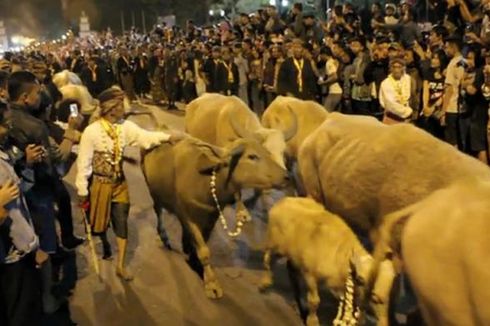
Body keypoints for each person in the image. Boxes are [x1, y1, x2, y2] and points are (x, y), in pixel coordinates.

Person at [76, 88, 184, 281]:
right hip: (99, 185)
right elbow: (83, 162)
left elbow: (145, 137)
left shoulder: (125, 127)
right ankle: (104, 242)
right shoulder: (91, 132)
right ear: (111, 107)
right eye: (120, 105)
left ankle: (120, 265)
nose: (123, 108)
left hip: (119, 184)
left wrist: (169, 137)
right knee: (99, 224)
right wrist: (82, 189)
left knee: (121, 220)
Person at [0, 98, 44, 326]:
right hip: (12, 255)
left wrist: (26, 165)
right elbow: (14, 214)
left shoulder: (4, 156)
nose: (9, 129)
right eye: (5, 124)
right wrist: (31, 245)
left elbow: (18, 196)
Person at [379, 57, 414, 124]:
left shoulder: (409, 80)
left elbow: (414, 97)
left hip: (408, 119)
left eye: (399, 67)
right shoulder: (385, 83)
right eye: (394, 67)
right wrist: (408, 113)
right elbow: (390, 104)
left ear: (403, 68)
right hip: (391, 117)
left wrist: (412, 116)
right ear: (390, 69)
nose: (396, 70)